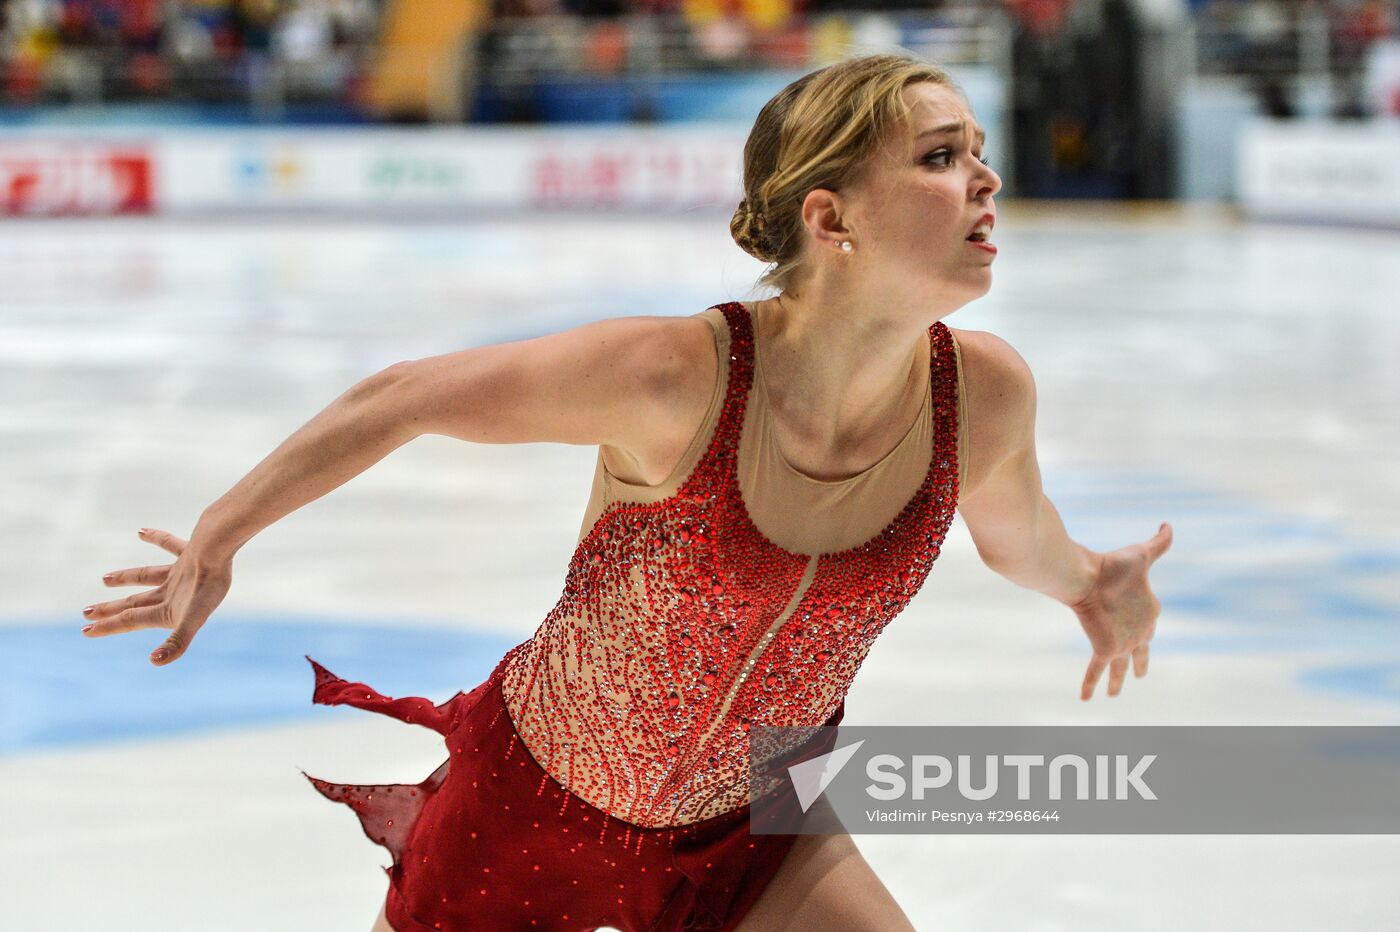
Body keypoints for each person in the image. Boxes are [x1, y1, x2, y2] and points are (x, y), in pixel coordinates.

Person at [81, 53, 1171, 932]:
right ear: (830, 219)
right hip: (528, 809)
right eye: (941, 157)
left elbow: (1020, 537)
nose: (984, 177)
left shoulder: (981, 392)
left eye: (977, 153)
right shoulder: (678, 375)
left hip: (756, 822)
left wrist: (1090, 580)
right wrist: (218, 537)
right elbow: (403, 395)